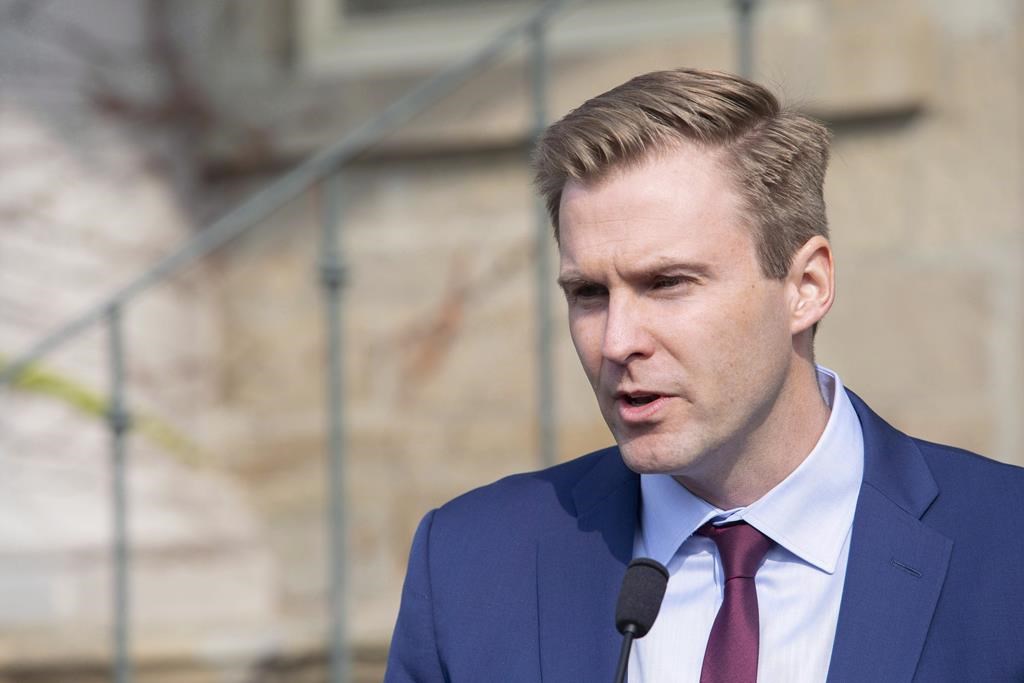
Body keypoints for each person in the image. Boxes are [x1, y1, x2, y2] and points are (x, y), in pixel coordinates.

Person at [384, 68, 1024, 682]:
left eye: (667, 284)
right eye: (588, 294)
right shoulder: (474, 566)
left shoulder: (1004, 548)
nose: (617, 340)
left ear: (806, 286)